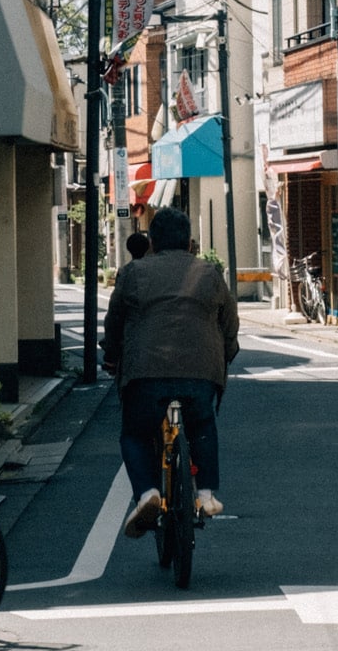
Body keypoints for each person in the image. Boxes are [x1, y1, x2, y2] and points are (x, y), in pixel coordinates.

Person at [102, 205, 238, 536]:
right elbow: (229, 323)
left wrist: (111, 357)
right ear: (190, 243)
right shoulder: (209, 273)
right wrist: (227, 353)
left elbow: (114, 320)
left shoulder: (134, 273)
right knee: (203, 424)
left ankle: (148, 492)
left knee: (134, 433)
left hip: (144, 373)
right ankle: (205, 494)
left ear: (152, 243)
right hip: (200, 371)